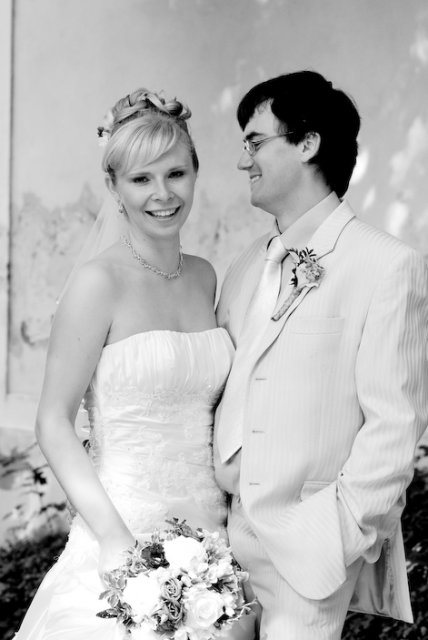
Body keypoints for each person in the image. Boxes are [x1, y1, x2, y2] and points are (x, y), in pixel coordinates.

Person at [15, 89, 253, 640]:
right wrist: (113, 539)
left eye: (176, 174)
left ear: (196, 173)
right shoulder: (97, 283)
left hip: (210, 536)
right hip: (121, 528)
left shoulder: (205, 276)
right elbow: (53, 421)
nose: (163, 194)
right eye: (141, 179)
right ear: (113, 187)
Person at [214, 70, 428, 640]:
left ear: (307, 143)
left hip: (305, 549)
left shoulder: (387, 265)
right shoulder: (244, 266)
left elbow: (395, 425)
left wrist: (339, 534)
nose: (243, 160)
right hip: (217, 549)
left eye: (255, 142)